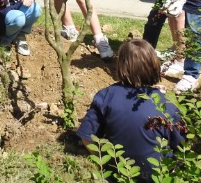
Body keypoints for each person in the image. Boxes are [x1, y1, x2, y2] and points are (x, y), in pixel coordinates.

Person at [77, 39, 185, 182]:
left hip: (118, 172)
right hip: (157, 175)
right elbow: (183, 147)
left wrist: (103, 161)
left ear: (121, 65)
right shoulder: (166, 106)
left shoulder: (106, 96)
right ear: (154, 66)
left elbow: (86, 138)